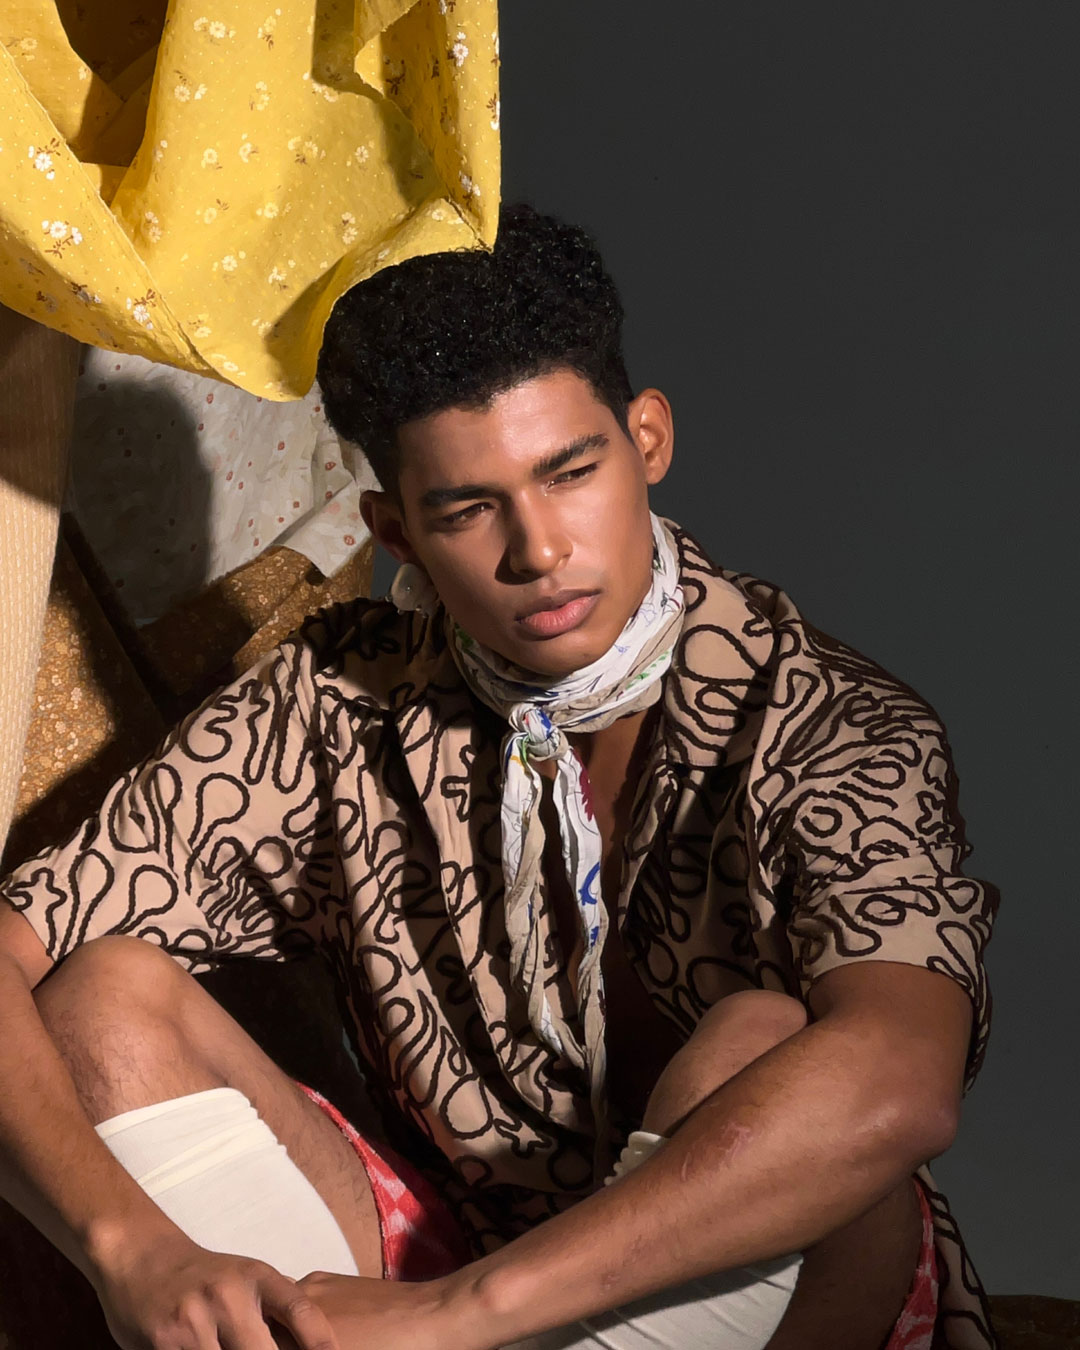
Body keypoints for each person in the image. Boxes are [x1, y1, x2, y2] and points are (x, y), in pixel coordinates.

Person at [0, 204, 998, 1350]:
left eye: (570, 473)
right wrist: (129, 1248)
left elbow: (903, 1080)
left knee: (765, 1043)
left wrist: (459, 1316)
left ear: (648, 439)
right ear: (397, 531)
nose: (538, 551)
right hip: (452, 1271)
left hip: (678, 1306)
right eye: (469, 510)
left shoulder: (828, 724)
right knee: (102, 1002)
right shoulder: (333, 709)